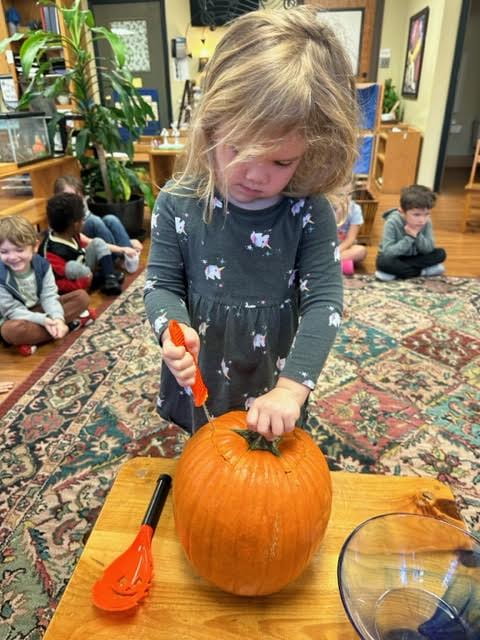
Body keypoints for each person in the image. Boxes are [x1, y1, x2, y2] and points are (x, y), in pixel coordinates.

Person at [144, 6, 358, 438]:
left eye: (281, 161)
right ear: (211, 128)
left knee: (268, 455)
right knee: (206, 451)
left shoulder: (308, 211)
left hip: (271, 373)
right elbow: (161, 284)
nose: (256, 175)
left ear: (311, 151)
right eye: (238, 149)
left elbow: (324, 302)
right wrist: (173, 328)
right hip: (203, 369)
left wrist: (291, 390)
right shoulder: (177, 202)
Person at [0, 216, 95, 357]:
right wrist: (44, 320)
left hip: (41, 308)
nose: (12, 257)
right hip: (16, 317)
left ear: (35, 247)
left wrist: (57, 318)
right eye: (4, 252)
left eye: (19, 250)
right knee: (11, 331)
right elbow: (12, 310)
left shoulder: (42, 265)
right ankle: (70, 325)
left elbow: (49, 296)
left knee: (82, 297)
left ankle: (35, 338)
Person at [38, 193, 124, 296]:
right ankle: (102, 277)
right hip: (73, 286)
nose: (84, 222)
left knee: (97, 242)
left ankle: (110, 278)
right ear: (76, 224)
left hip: (84, 269)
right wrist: (85, 282)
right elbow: (58, 284)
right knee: (71, 267)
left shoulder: (71, 233)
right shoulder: (50, 253)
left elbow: (81, 251)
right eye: (83, 219)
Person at [53, 175, 142, 274]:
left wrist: (129, 242)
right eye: (70, 197)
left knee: (110, 219)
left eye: (78, 196)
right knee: (94, 221)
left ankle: (130, 256)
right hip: (82, 245)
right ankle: (115, 260)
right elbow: (85, 240)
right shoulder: (59, 215)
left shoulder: (80, 204)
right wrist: (121, 249)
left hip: (89, 234)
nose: (75, 200)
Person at [375, 184, 446, 281]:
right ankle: (423, 272)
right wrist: (409, 238)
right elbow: (388, 253)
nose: (422, 220)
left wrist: (417, 235)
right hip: (396, 257)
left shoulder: (427, 222)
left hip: (415, 258)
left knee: (441, 253)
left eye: (426, 214)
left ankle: (394, 273)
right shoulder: (392, 222)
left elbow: (428, 249)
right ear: (402, 211)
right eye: (416, 215)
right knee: (383, 262)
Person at [334, 185, 367, 275]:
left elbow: (351, 239)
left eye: (349, 194)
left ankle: (328, 263)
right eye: (340, 195)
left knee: (361, 251)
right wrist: (337, 215)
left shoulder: (355, 209)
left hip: (344, 248)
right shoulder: (326, 208)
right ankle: (338, 264)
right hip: (326, 246)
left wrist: (337, 251)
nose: (345, 199)